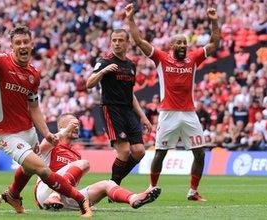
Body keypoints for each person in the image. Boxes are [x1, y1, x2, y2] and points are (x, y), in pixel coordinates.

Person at [0, 25, 92, 217]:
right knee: (41, 168)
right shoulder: (0, 62)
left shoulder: (34, 75)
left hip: (29, 131)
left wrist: (46, 133)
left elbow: (34, 107)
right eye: (18, 43)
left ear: (32, 45)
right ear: (12, 46)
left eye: (26, 42)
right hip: (6, 133)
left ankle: (13, 195)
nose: (22, 46)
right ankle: (82, 201)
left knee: (28, 169)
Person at [125, 3, 220, 202]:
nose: (183, 46)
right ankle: (152, 187)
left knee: (200, 153)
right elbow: (139, 40)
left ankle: (193, 191)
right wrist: (130, 18)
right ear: (172, 46)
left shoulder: (193, 59)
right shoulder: (161, 58)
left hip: (189, 113)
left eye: (185, 43)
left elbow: (214, 44)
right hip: (168, 113)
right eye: (179, 43)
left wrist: (214, 21)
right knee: (160, 153)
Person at [35, 114, 161, 211]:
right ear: (61, 127)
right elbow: (42, 147)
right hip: (45, 191)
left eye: (78, 125)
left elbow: (71, 184)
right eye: (72, 124)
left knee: (108, 184)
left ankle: (133, 198)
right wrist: (64, 131)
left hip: (65, 199)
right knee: (84, 163)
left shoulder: (76, 155)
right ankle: (54, 194)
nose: (76, 127)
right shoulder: (52, 146)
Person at [86, 28, 151, 185]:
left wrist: (142, 116)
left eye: (120, 40)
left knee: (139, 152)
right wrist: (103, 72)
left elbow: (131, 94)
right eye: (114, 40)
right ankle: (114, 188)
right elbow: (89, 83)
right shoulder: (104, 61)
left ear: (128, 43)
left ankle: (113, 182)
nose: (117, 43)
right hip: (111, 109)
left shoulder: (130, 65)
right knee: (124, 150)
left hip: (128, 110)